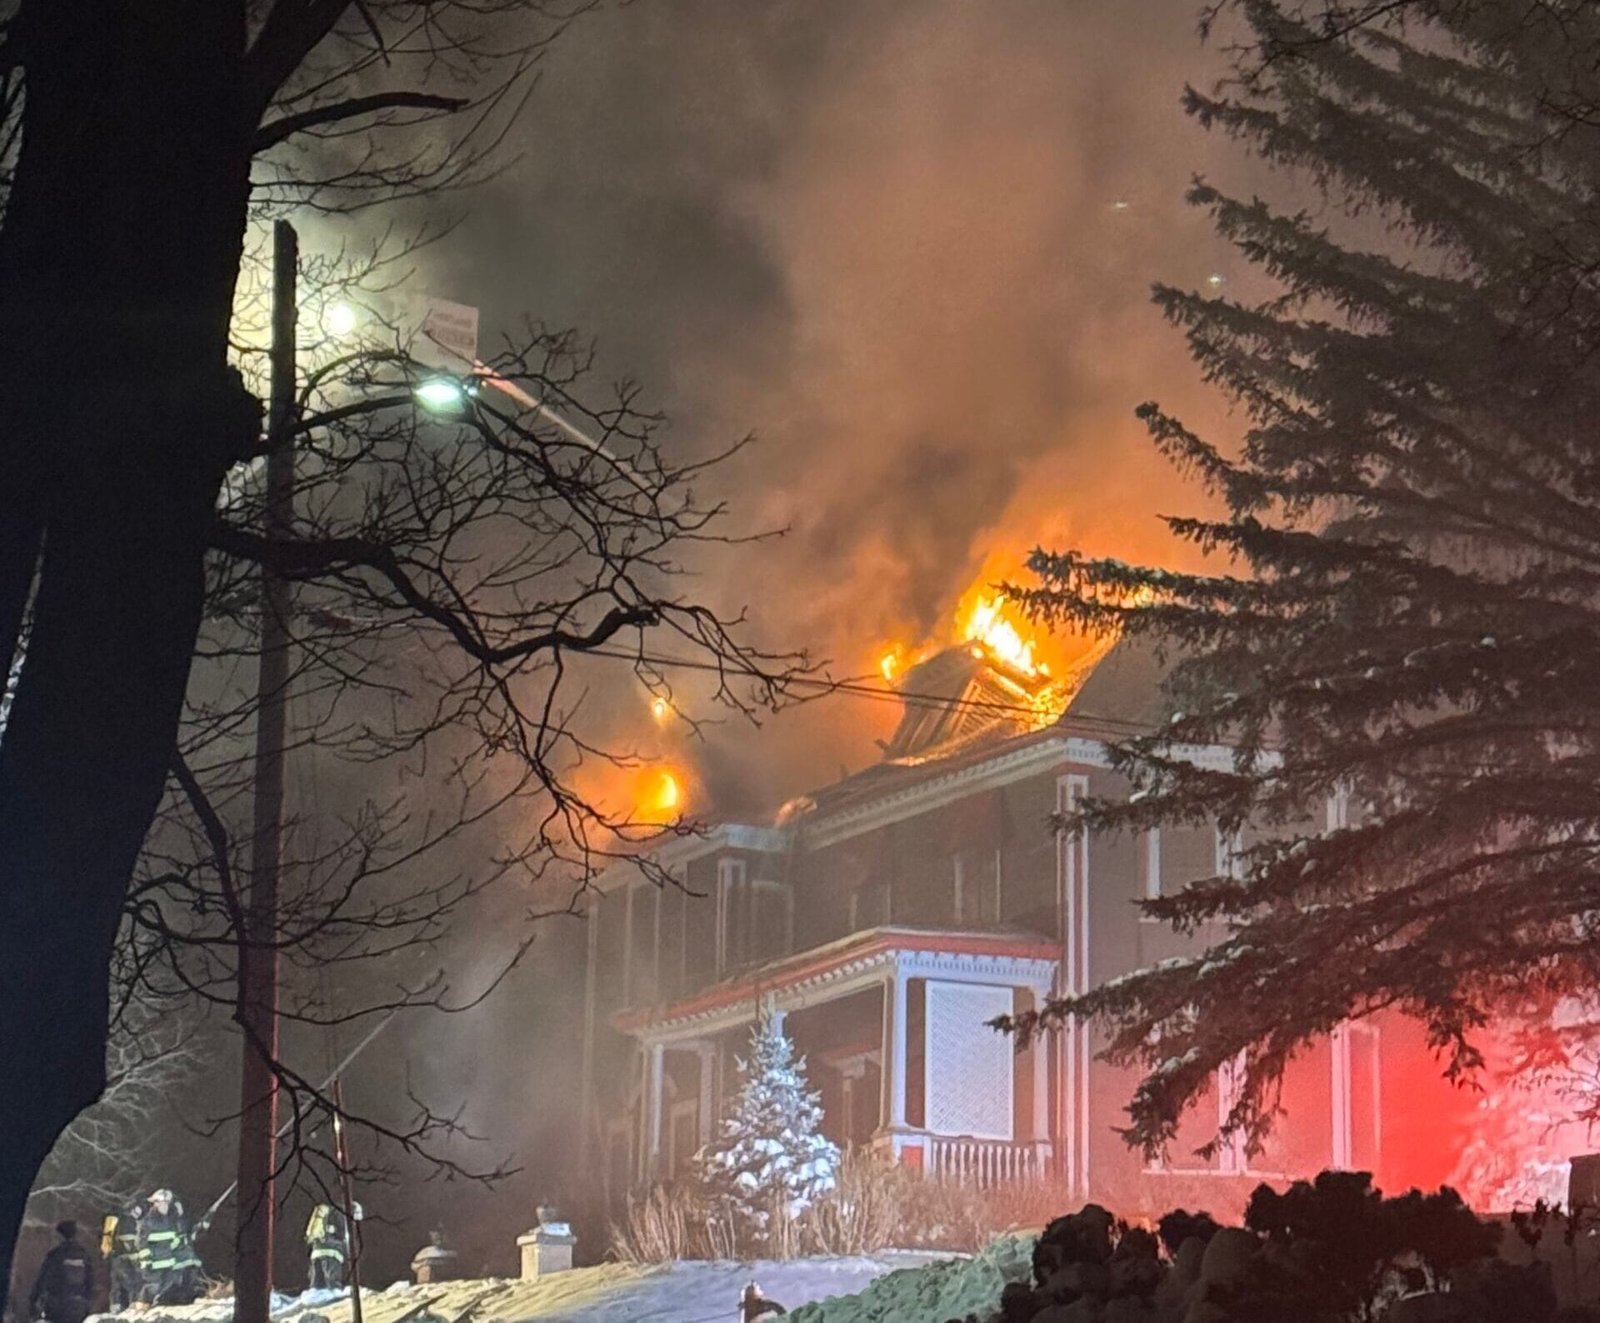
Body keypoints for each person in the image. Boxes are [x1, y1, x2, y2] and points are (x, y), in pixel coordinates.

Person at [138, 1190, 199, 1306]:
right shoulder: (147, 1221)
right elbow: (142, 1243)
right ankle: (143, 1302)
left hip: (169, 1262)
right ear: (155, 1204)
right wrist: (146, 1261)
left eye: (167, 1203)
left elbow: (175, 1238)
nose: (164, 1206)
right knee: (154, 1287)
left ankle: (159, 1302)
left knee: (170, 1286)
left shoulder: (171, 1220)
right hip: (154, 1264)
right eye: (161, 1203)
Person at [29, 1222, 93, 1323]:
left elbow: (43, 1279)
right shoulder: (84, 1254)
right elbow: (90, 1282)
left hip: (57, 1306)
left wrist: (33, 1302)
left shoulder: (56, 1254)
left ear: (60, 1236)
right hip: (78, 1307)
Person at [304, 1203, 360, 1291]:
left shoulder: (328, 1213)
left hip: (316, 1251)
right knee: (333, 1282)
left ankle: (314, 1300)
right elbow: (342, 1233)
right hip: (332, 1252)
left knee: (316, 1283)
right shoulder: (341, 1214)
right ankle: (335, 1299)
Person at [101, 1207, 144, 1312]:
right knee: (134, 1282)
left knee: (116, 1283)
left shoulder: (114, 1223)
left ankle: (115, 1306)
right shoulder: (130, 1223)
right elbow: (132, 1245)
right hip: (128, 1259)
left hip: (116, 1257)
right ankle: (133, 1305)